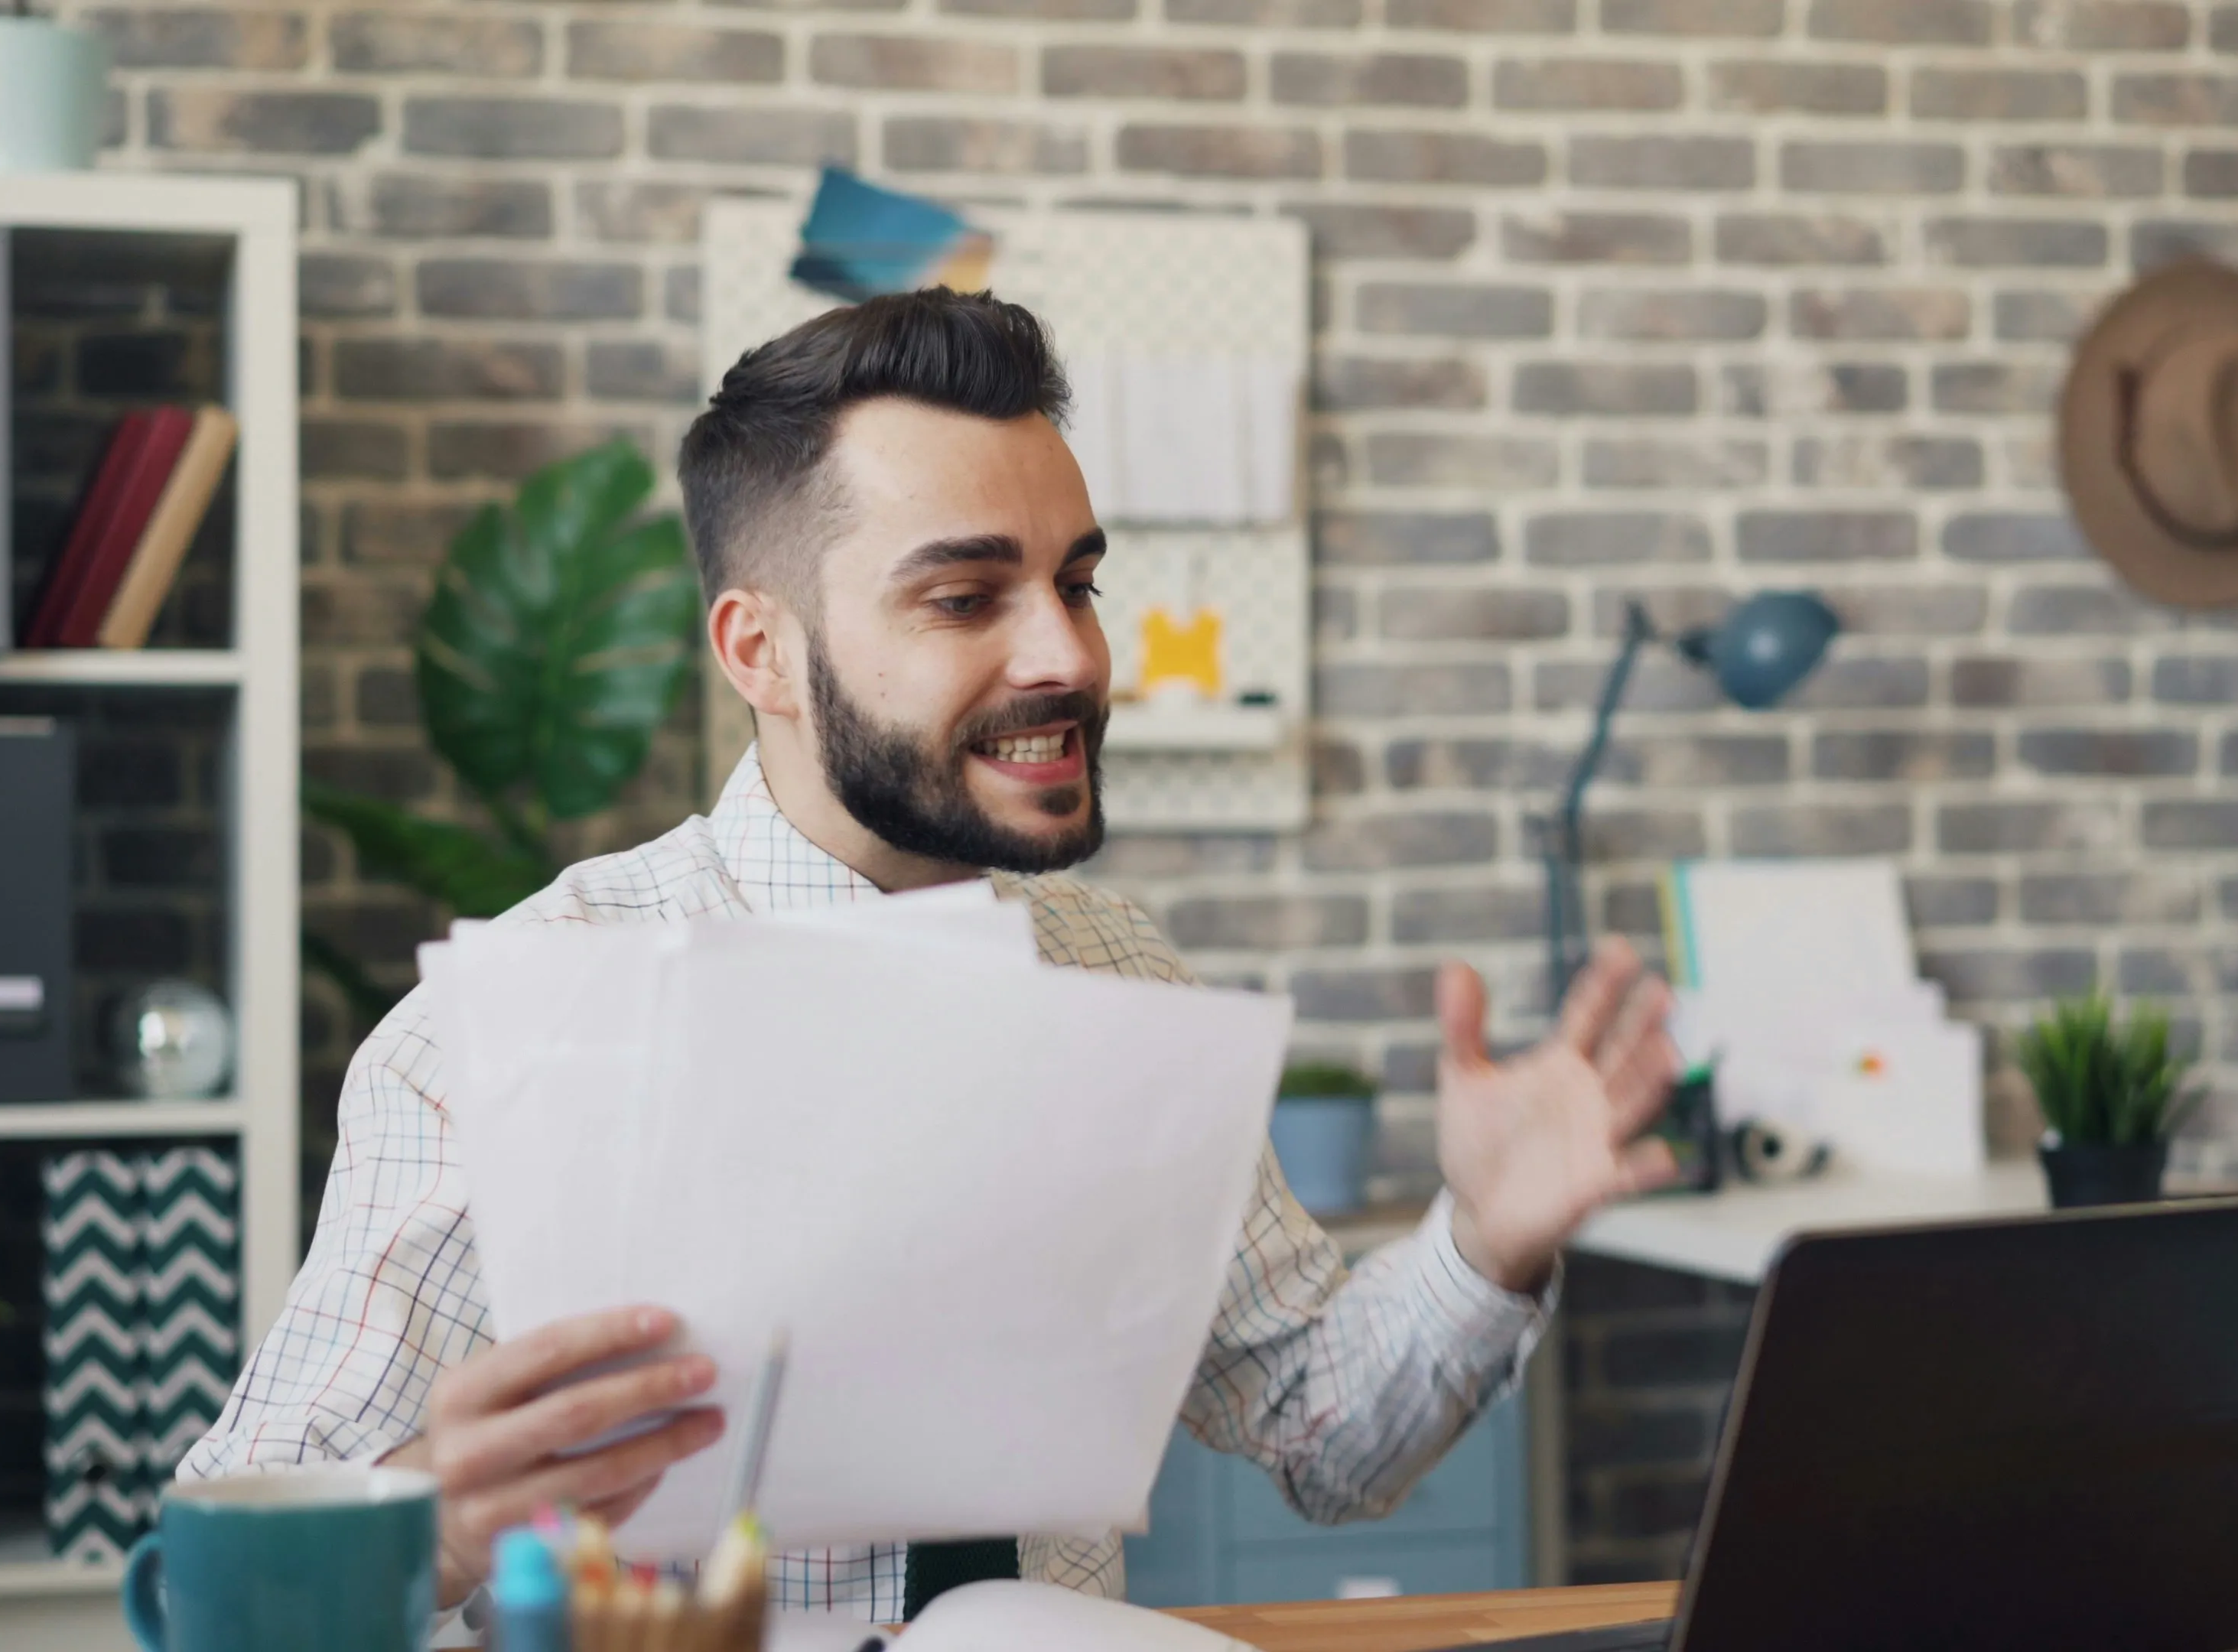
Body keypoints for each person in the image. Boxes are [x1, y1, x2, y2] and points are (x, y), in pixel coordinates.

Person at [185, 289, 1683, 1621]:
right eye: (967, 598)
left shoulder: (1115, 975)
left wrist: (1488, 1241)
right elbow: (220, 1591)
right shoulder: (521, 1021)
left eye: (1076, 582)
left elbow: (1318, 1434)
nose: (1069, 659)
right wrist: (431, 1529)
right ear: (758, 651)